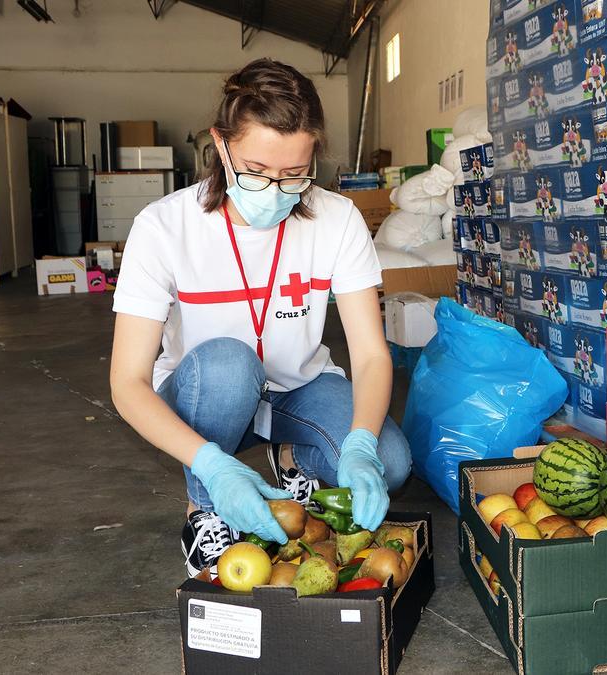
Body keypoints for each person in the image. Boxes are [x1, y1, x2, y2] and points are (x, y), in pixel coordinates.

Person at [109, 59, 410, 578]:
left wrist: (360, 444)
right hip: (209, 395)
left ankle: (290, 461)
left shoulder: (337, 220)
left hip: (299, 389)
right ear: (220, 145)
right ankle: (206, 507)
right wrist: (211, 466)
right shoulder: (164, 227)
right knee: (228, 363)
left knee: (394, 464)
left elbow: (369, 354)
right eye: (255, 171)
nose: (274, 189)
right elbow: (126, 382)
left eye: (294, 174)